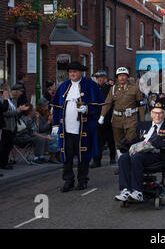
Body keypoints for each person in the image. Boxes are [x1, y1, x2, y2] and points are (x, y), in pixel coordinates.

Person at [51, 61, 104, 192]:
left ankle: (82, 180)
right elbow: (57, 108)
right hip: (66, 129)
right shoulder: (63, 86)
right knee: (67, 156)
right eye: (70, 72)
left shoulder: (91, 85)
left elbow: (98, 105)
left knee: (83, 155)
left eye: (74, 72)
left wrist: (87, 109)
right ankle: (68, 180)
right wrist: (56, 125)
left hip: (83, 128)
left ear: (81, 73)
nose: (72, 74)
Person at [115, 101, 165, 202]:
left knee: (136, 157)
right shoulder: (143, 125)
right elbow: (136, 140)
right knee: (124, 158)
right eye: (155, 113)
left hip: (157, 155)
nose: (157, 115)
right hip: (140, 154)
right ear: (151, 114)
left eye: (160, 113)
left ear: (164, 115)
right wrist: (127, 143)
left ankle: (137, 191)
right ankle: (125, 190)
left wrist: (150, 145)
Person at [99, 67, 144, 174]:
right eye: (120, 76)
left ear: (127, 77)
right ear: (117, 78)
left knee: (130, 140)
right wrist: (102, 116)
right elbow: (108, 103)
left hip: (131, 118)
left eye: (124, 75)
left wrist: (142, 122)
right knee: (118, 143)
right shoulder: (113, 89)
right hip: (117, 119)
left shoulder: (135, 88)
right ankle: (122, 165)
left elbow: (140, 105)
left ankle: (132, 163)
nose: (122, 77)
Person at [0, 84, 29, 170]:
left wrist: (19, 110)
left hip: (12, 126)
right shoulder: (3, 100)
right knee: (6, 145)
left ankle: (5, 161)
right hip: (6, 126)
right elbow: (4, 113)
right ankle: (3, 163)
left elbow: (14, 112)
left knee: (9, 145)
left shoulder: (12, 100)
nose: (20, 94)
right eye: (20, 92)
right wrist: (18, 110)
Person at [91, 70, 116, 168]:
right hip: (96, 117)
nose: (100, 79)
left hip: (108, 117)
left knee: (111, 139)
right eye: (98, 78)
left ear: (105, 78)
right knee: (97, 140)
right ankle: (97, 160)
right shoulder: (93, 88)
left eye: (102, 77)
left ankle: (112, 157)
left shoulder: (110, 88)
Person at [35, 98, 61, 164]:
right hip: (42, 134)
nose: (47, 106)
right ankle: (52, 157)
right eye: (46, 105)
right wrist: (49, 121)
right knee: (55, 139)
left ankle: (57, 157)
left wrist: (52, 121)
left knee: (60, 136)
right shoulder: (38, 115)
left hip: (47, 133)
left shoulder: (47, 112)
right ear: (42, 106)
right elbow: (41, 129)